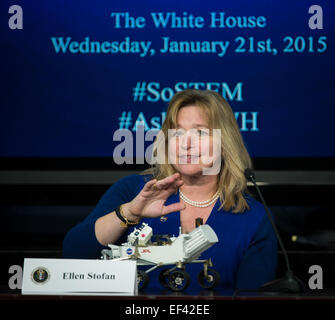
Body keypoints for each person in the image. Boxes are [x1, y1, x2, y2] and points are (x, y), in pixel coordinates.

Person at [63, 89, 277, 293]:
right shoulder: (133, 190)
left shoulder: (254, 217)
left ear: (225, 143)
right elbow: (73, 254)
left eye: (200, 132)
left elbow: (252, 296)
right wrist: (130, 213)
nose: (186, 144)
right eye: (178, 133)